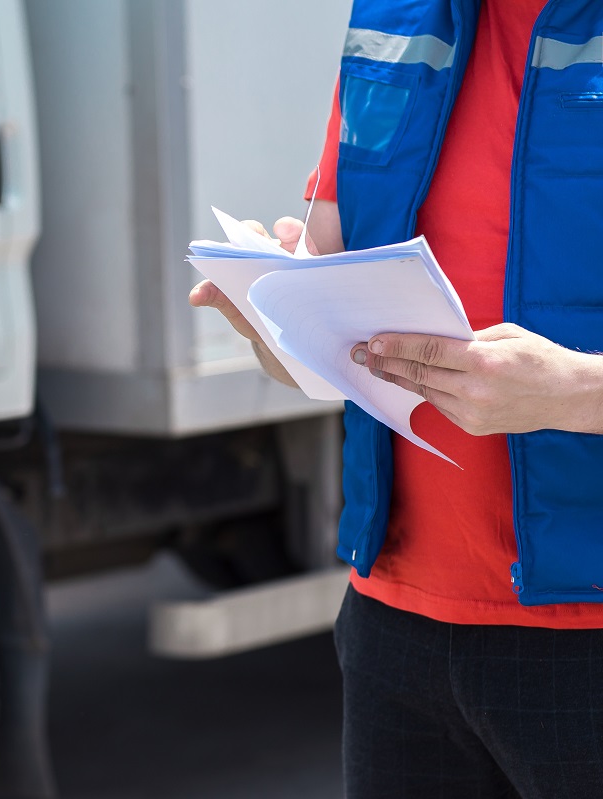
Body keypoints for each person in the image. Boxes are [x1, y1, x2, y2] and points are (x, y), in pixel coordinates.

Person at [190, 2, 603, 796]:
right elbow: (328, 339)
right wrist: (276, 321)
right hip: (396, 635)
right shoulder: (392, 21)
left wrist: (574, 391)